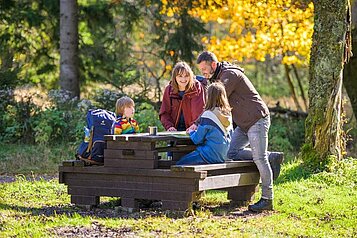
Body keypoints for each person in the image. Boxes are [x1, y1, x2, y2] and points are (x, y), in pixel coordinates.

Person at [196, 51, 283, 212]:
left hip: (257, 119)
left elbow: (217, 101)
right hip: (244, 124)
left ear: (213, 65)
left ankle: (267, 199)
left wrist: (198, 123)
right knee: (230, 153)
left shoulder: (230, 75)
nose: (203, 72)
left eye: (204, 69)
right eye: (201, 70)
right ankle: (271, 156)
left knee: (259, 158)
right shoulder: (219, 77)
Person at [176, 82, 233, 165]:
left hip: (209, 155)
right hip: (225, 155)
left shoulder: (208, 115)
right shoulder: (228, 114)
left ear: (209, 96)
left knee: (179, 164)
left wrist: (191, 132)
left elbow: (197, 139)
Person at [159, 61, 205, 132]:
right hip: (175, 131)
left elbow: (200, 110)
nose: (183, 79)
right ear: (175, 77)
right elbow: (164, 113)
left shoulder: (196, 88)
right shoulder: (169, 89)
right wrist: (169, 126)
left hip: (194, 131)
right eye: (180, 76)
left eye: (186, 76)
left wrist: (195, 125)